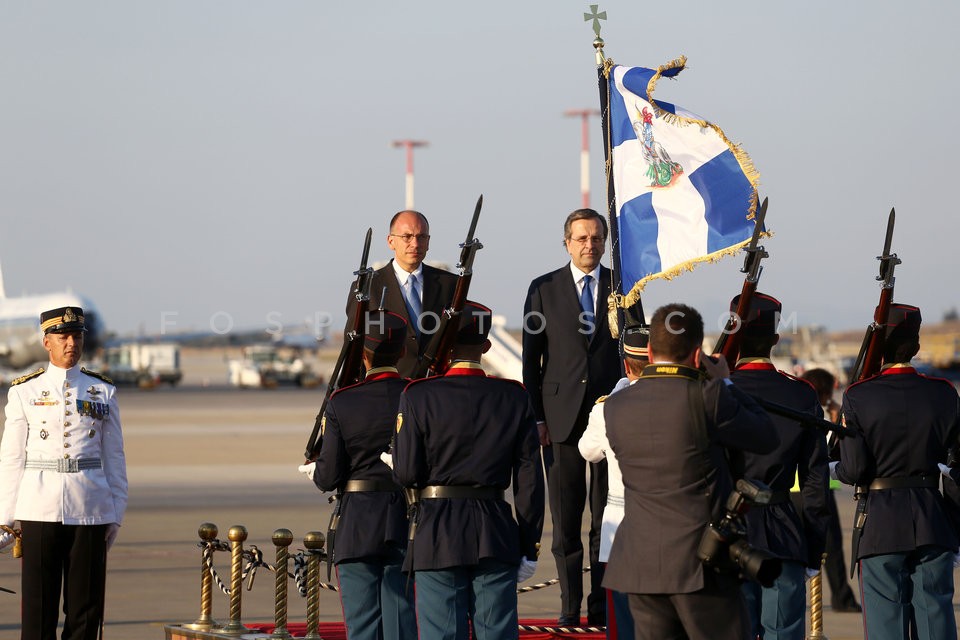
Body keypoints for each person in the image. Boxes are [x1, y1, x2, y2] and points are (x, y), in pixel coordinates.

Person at [601, 303, 779, 640]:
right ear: (697, 355)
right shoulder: (706, 398)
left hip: (641, 561)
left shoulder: (616, 406)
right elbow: (765, 435)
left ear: (650, 351)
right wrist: (726, 383)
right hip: (700, 562)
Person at [392, 301, 545, 640]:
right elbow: (529, 479)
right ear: (486, 347)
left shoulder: (418, 395)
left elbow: (405, 473)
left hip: (436, 532)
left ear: (444, 347)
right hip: (495, 530)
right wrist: (529, 542)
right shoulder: (513, 396)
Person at [0, 306, 128, 640]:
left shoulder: (102, 391)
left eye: (76, 336)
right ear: (47, 342)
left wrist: (116, 511)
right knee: (38, 611)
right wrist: (5, 517)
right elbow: (11, 458)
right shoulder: (24, 392)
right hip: (38, 509)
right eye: (63, 337)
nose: (71, 343)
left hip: (90, 508)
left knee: (85, 612)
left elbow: (114, 457)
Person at [833, 303, 960, 640]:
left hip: (880, 523)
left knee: (886, 625)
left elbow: (855, 469)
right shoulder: (943, 393)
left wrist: (835, 469)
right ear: (916, 347)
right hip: (934, 519)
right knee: (936, 621)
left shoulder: (859, 395)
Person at [522, 208, 621, 626]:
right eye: (581, 238)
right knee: (565, 522)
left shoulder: (622, 284)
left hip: (609, 418)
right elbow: (531, 361)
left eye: (596, 238)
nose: (589, 245)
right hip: (559, 419)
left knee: (605, 517)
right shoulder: (543, 289)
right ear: (566, 242)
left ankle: (599, 607)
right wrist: (537, 418)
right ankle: (569, 608)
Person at [298, 310, 417, 640]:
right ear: (402, 352)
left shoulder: (343, 401)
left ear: (362, 354)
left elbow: (328, 478)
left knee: (362, 625)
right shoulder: (417, 394)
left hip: (358, 521)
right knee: (401, 622)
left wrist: (318, 470)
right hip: (405, 519)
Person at [725, 293, 831, 639]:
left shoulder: (716, 393)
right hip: (785, 533)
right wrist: (814, 549)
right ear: (774, 339)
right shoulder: (800, 395)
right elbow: (816, 482)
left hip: (729, 532)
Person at [577, 322, 649, 639]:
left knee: (623, 623)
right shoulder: (680, 402)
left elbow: (588, 452)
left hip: (620, 526)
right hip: (669, 525)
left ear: (625, 361)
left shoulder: (607, 408)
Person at [345, 210, 458, 378]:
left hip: (435, 389)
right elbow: (353, 347)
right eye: (407, 237)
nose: (415, 244)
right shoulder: (367, 287)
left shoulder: (450, 284)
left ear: (428, 242)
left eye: (421, 237)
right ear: (391, 241)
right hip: (387, 391)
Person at [796, 367, 861, 613]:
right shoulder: (815, 415)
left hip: (793, 489)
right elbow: (827, 451)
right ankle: (842, 598)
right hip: (815, 488)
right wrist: (835, 421)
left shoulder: (795, 407)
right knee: (831, 547)